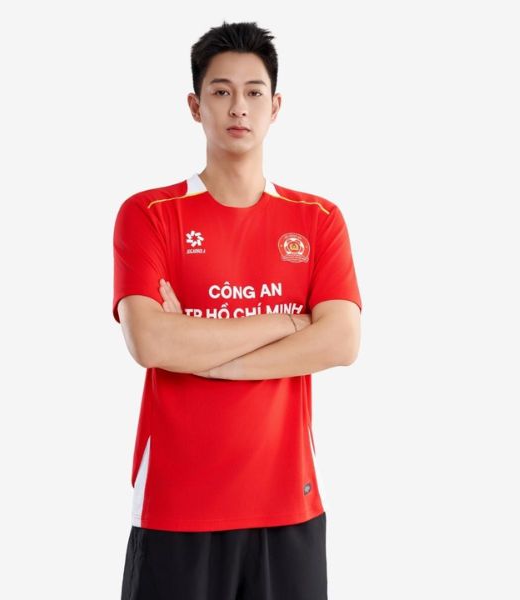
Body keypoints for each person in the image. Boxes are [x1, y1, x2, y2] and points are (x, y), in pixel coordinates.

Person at [113, 20, 362, 600]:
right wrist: (289, 322)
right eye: (221, 91)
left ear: (275, 107)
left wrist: (205, 353)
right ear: (195, 105)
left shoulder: (318, 220)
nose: (238, 107)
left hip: (289, 506)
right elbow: (151, 342)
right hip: (176, 506)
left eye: (253, 92)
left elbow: (341, 342)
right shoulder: (149, 214)